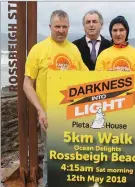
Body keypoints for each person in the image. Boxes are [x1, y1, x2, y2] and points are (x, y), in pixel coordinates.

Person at [23, 10, 89, 187]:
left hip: (73, 114)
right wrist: (40, 110)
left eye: (64, 27)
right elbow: (27, 84)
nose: (61, 30)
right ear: (50, 27)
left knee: (73, 156)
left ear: (69, 27)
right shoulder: (38, 49)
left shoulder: (73, 49)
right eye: (57, 26)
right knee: (52, 157)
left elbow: (88, 79)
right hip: (49, 116)